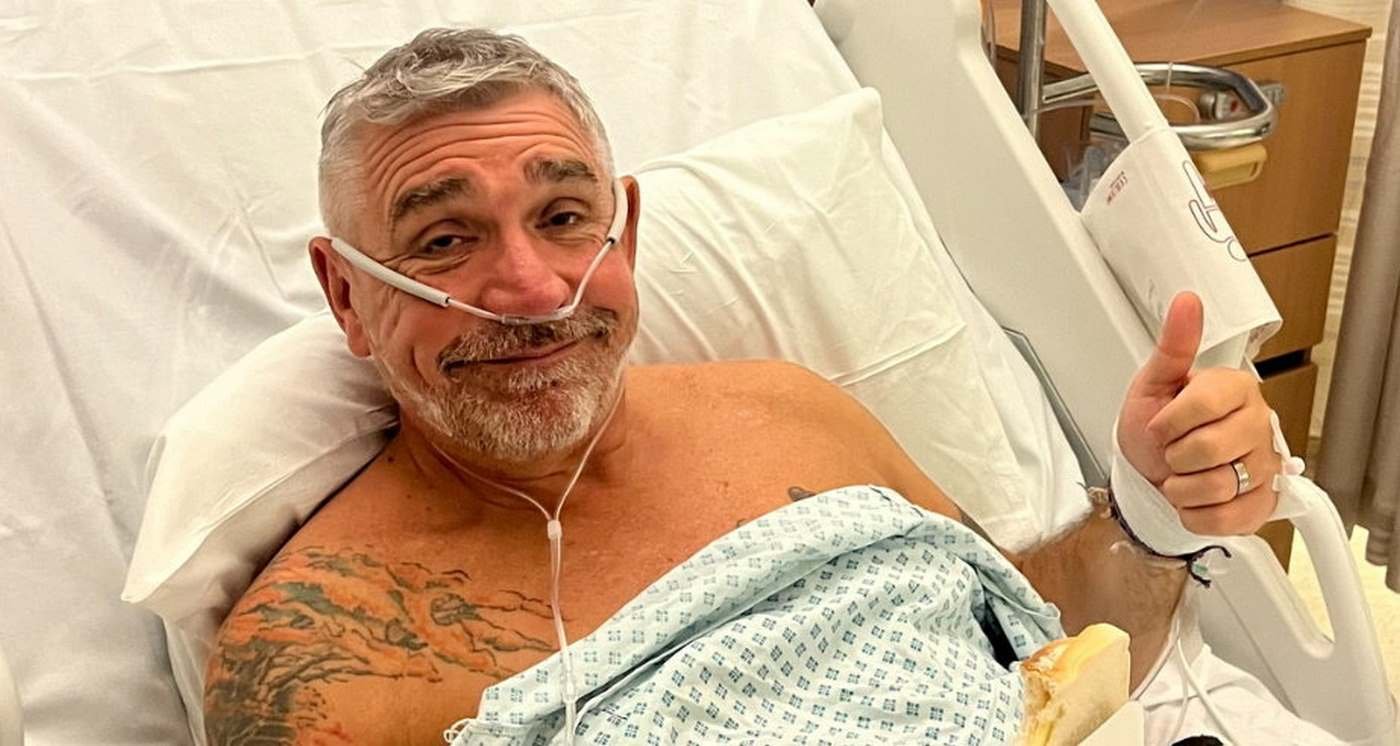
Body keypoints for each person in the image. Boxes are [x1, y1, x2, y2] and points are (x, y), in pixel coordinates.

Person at [202, 28, 1290, 744]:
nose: (532, 290)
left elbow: (1037, 647)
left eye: (564, 217)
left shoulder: (788, 409)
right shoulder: (322, 664)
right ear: (346, 294)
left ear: (625, 232)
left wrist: (1148, 517)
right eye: (445, 239)